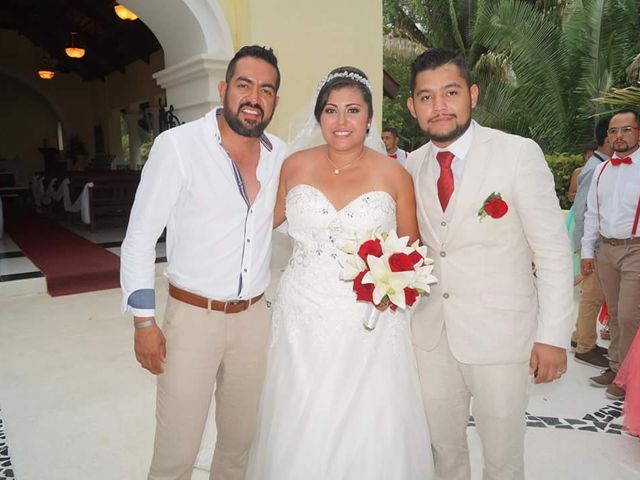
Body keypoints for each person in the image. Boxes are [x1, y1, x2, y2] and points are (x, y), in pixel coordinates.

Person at [245, 67, 434, 479]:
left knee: (369, 418)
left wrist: (393, 283)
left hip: (370, 321)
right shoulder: (293, 167)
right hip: (302, 316)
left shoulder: (395, 175)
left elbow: (413, 253)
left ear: (369, 118)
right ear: (319, 117)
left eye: (353, 110)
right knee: (303, 411)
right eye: (331, 110)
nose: (342, 121)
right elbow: (256, 224)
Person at [405, 48, 573, 480]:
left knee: (502, 458)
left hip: (502, 338)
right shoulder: (412, 165)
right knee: (444, 453)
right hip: (430, 337)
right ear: (412, 106)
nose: (439, 106)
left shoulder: (518, 154)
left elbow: (553, 251)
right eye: (426, 97)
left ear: (473, 95)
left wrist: (553, 336)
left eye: (451, 92)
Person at [120, 45, 286, 480]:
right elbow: (139, 238)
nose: (254, 97)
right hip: (191, 319)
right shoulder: (177, 147)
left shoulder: (280, 156)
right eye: (244, 85)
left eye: (265, 89)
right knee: (177, 451)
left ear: (275, 101)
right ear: (223, 88)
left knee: (239, 445)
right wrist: (143, 321)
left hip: (253, 320)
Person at [581, 109, 640, 401]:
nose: (618, 136)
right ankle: (617, 368)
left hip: (636, 250)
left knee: (630, 315)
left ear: (638, 132)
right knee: (615, 314)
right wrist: (586, 250)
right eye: (614, 131)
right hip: (606, 249)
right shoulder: (601, 170)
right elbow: (592, 213)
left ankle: (629, 376)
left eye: (626, 130)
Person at [571, 117, 612, 368]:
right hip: (594, 244)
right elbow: (582, 209)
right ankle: (585, 346)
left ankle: (580, 337)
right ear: (607, 138)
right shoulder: (596, 168)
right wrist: (587, 249)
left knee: (592, 294)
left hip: (595, 244)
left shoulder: (603, 165)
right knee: (592, 296)